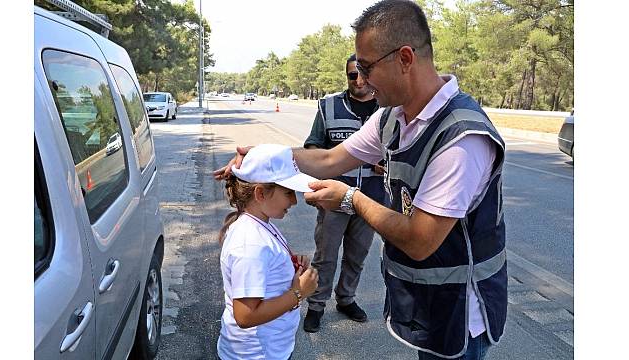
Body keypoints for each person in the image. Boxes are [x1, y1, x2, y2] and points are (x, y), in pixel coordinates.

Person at [215, 1, 507, 359]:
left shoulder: (461, 139)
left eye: (367, 68)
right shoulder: (392, 118)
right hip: (427, 303)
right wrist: (260, 157)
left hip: (461, 310)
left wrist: (351, 199)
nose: (361, 80)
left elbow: (420, 241)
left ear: (404, 58)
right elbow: (329, 158)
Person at [301, 53, 385, 333]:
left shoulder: (388, 109)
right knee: (325, 256)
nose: (358, 80)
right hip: (334, 198)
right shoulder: (329, 106)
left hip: (371, 198)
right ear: (346, 76)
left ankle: (346, 299)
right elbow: (313, 147)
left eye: (363, 73)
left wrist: (386, 164)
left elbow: (402, 151)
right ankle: (316, 305)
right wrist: (322, 176)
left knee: (357, 256)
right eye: (352, 75)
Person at [217, 144, 319, 360]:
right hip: (257, 354)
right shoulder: (250, 245)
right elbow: (245, 315)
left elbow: (264, 272)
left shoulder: (260, 223)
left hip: (267, 348)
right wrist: (299, 292)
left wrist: (287, 269)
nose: (293, 201)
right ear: (260, 193)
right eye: (288, 192)